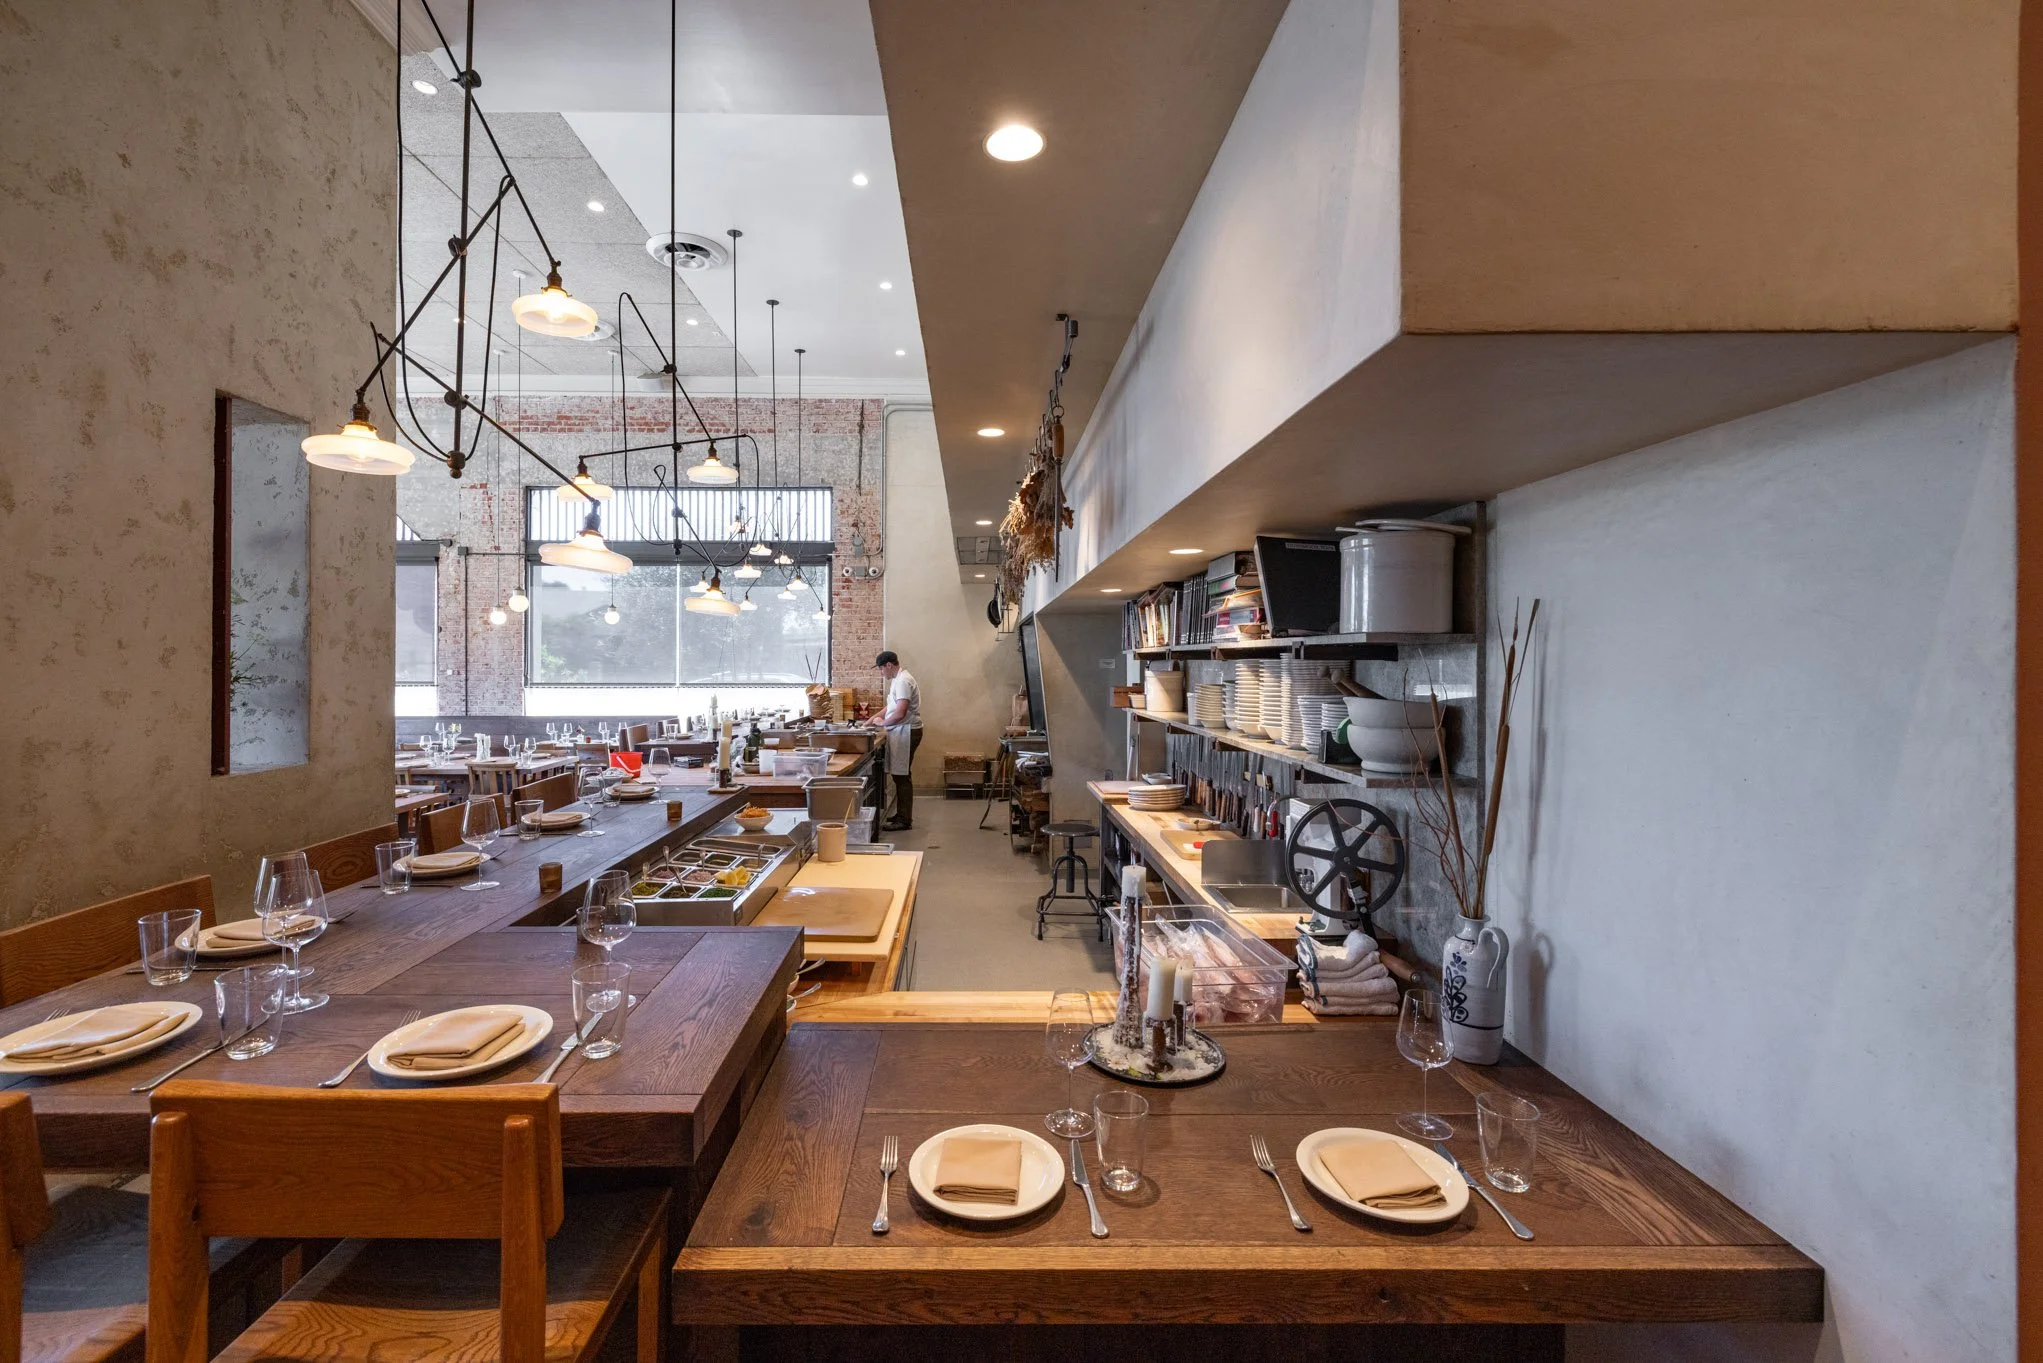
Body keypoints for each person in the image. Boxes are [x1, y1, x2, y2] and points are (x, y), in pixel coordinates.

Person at [868, 650, 922, 830]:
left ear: (889, 665)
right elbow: (890, 707)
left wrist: (883, 724)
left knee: (902, 775)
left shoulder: (903, 681)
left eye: (881, 669)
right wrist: (868, 722)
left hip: (906, 731)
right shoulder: (897, 681)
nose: (881, 673)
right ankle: (902, 814)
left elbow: (899, 713)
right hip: (900, 731)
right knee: (900, 775)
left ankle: (905, 819)